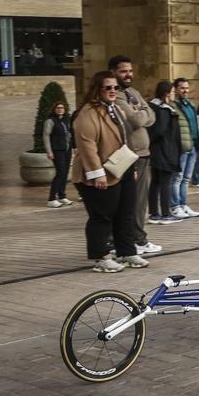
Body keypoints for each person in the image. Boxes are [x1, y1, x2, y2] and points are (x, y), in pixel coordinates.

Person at [73, 71, 149, 272]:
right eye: (108, 88)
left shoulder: (116, 109)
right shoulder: (88, 113)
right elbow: (87, 146)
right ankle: (100, 256)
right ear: (98, 89)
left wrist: (131, 167)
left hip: (120, 169)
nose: (113, 91)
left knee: (125, 213)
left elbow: (126, 140)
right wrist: (97, 173)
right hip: (99, 173)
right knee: (102, 216)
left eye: (115, 87)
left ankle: (126, 252)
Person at [109, 55, 161, 256]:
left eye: (130, 70)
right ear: (113, 72)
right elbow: (136, 120)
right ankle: (137, 239)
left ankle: (136, 237)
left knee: (139, 201)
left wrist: (142, 111)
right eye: (123, 71)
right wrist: (142, 111)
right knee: (135, 202)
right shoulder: (118, 96)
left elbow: (151, 115)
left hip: (143, 154)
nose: (128, 74)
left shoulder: (132, 91)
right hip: (131, 156)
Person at [147, 81, 184, 226]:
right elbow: (160, 131)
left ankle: (154, 213)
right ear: (166, 93)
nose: (174, 94)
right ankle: (165, 213)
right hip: (165, 151)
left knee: (155, 182)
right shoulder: (163, 110)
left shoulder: (152, 107)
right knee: (165, 183)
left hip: (157, 151)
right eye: (173, 91)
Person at [171, 78, 199, 218]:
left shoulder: (191, 105)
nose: (185, 91)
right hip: (182, 147)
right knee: (177, 177)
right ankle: (175, 206)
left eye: (187, 88)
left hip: (193, 145)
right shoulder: (173, 106)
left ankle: (183, 204)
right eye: (182, 88)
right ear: (176, 89)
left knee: (186, 178)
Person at [43, 102, 74, 208]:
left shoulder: (66, 120)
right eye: (58, 108)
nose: (60, 109)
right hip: (57, 150)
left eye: (62, 108)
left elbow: (70, 134)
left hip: (67, 150)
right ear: (54, 109)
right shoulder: (50, 121)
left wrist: (73, 147)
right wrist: (49, 151)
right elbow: (46, 136)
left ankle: (62, 196)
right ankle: (51, 199)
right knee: (60, 173)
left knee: (65, 173)